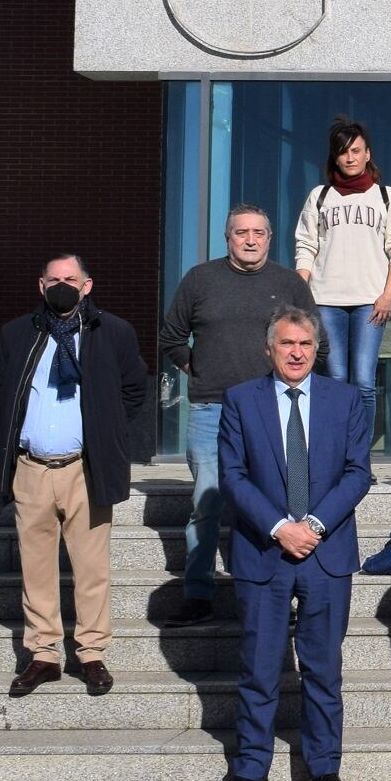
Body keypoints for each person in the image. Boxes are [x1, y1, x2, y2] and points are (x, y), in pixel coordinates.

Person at [207, 306, 373, 781]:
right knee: (259, 669)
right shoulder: (240, 400)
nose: (297, 352)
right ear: (269, 349)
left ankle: (324, 771)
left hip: (326, 554)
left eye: (305, 343)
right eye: (286, 344)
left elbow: (357, 472)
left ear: (317, 348)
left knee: (323, 671)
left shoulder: (345, 400)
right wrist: (281, 528)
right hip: (264, 552)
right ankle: (250, 772)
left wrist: (314, 527)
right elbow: (232, 475)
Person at [0, 254, 148, 699]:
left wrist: (108, 429)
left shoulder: (112, 332)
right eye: (54, 279)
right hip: (32, 468)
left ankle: (92, 652)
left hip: (85, 468)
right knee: (36, 566)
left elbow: (134, 388)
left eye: (70, 279)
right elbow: (1, 388)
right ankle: (43, 654)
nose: (62, 285)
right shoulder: (17, 333)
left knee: (91, 567)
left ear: (87, 285)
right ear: (41, 286)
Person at [158, 204, 317, 627]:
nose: (250, 240)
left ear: (269, 237)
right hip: (212, 406)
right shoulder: (200, 279)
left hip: (273, 409)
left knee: (283, 501)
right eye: (241, 232)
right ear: (227, 238)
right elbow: (171, 335)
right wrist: (198, 367)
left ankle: (284, 594)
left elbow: (313, 337)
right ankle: (198, 594)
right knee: (208, 502)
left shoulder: (289, 283)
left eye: (258, 232)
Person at [294, 116, 391, 439]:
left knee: (362, 380)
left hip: (370, 303)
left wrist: (388, 295)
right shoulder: (320, 196)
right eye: (343, 152)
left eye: (356, 150)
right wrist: (302, 293)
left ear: (368, 154)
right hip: (325, 301)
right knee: (333, 377)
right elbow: (306, 247)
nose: (350, 157)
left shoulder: (387, 197)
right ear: (335, 156)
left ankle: (358, 454)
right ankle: (333, 450)